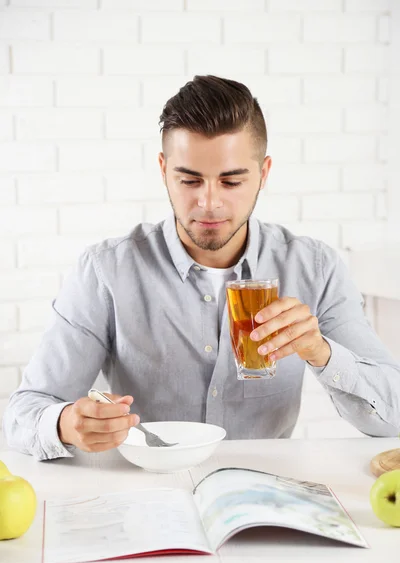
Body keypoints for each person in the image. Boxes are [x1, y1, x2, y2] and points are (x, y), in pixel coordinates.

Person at [3, 75, 400, 461]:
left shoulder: (316, 268)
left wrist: (323, 353)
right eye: (190, 180)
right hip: (144, 495)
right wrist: (65, 424)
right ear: (163, 170)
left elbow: (393, 414)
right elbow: (24, 413)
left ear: (263, 174)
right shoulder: (106, 271)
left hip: (264, 494)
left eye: (231, 182)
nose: (209, 203)